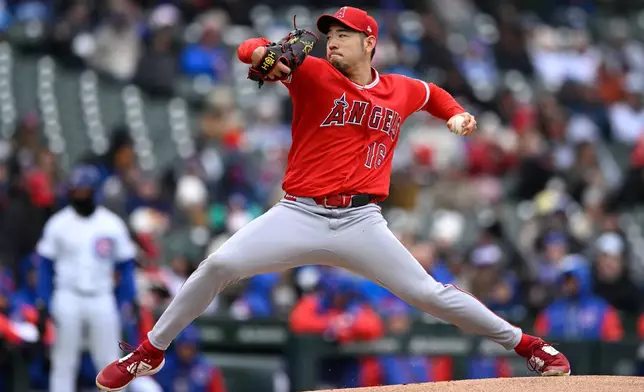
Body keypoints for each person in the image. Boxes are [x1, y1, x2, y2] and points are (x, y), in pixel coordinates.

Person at [96, 6, 571, 391]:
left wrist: (458, 114)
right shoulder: (312, 73)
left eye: (343, 34)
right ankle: (150, 351)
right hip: (298, 213)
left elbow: (432, 94)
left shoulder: (398, 89)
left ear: (369, 42)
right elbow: (248, 51)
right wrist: (264, 52)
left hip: (362, 222)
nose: (332, 41)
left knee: (429, 294)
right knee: (218, 266)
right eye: (329, 35)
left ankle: (527, 345)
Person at [35, 165, 139, 392]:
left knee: (111, 362)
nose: (79, 195)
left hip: (102, 296)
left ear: (95, 191)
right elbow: (44, 265)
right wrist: (43, 301)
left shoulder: (111, 224)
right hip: (67, 295)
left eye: (84, 191)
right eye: (76, 191)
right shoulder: (58, 223)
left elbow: (126, 266)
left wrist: (129, 300)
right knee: (63, 361)